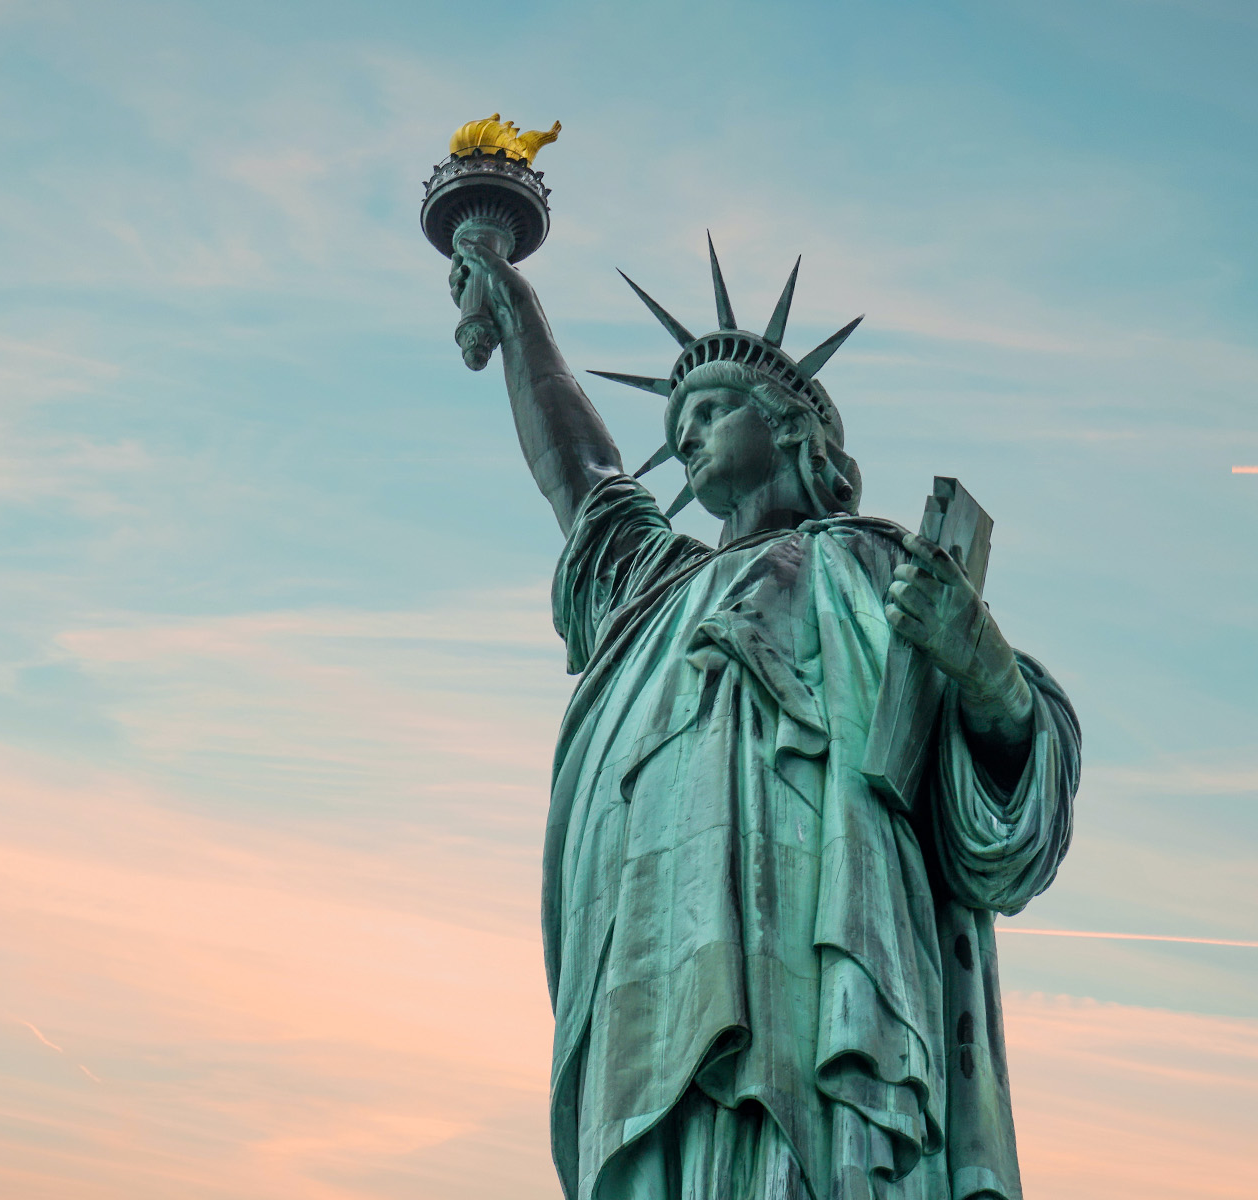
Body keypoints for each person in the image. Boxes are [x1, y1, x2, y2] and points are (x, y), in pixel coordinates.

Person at [449, 232, 1079, 1200]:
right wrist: (515, 308)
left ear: (791, 431)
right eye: (677, 418)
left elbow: (1007, 819)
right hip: (653, 979)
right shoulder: (652, 594)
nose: (687, 434)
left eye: (709, 410)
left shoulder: (874, 570)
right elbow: (582, 482)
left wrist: (983, 666)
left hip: (823, 966)